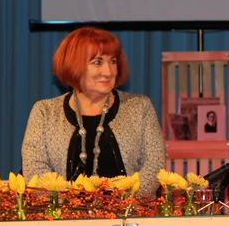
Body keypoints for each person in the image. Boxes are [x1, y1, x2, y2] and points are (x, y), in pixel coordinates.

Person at [22, 27, 166, 197]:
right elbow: (35, 170)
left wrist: (122, 205)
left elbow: (154, 163)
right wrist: (69, 208)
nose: (108, 71)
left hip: (128, 216)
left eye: (112, 61)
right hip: (63, 218)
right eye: (97, 62)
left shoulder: (140, 107)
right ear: (74, 65)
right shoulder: (44, 112)